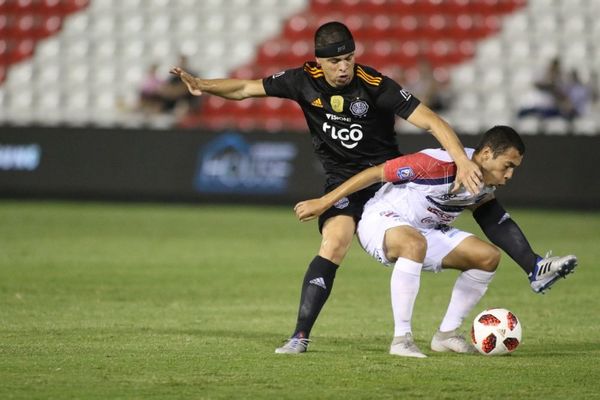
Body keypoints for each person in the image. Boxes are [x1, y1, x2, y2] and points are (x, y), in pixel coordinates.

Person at [169, 21, 483, 354]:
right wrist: (202, 85)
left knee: (454, 246)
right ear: (319, 60)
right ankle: (299, 337)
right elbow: (245, 89)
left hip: (388, 182)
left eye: (349, 58)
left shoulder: (375, 85)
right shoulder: (301, 81)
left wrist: (462, 161)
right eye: (335, 61)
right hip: (343, 183)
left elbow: (432, 120)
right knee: (334, 243)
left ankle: (446, 327)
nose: (344, 67)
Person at [294, 125, 578, 357]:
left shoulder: (483, 182)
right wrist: (324, 202)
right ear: (487, 153)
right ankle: (401, 339)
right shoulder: (436, 163)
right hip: (381, 219)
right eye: (507, 166)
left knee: (487, 257)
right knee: (414, 243)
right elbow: (375, 173)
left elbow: (495, 221)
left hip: (426, 231)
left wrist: (532, 264)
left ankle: (445, 335)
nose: (509, 175)